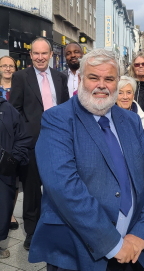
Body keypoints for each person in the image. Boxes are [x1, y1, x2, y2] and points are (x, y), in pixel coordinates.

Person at [28, 48, 144, 271]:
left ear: (118, 82)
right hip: (79, 254)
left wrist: (141, 233)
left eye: (109, 79)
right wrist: (113, 243)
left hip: (134, 251)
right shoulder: (57, 119)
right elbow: (64, 188)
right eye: (93, 77)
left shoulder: (131, 120)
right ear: (80, 78)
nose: (102, 85)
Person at [9, 37, 69, 250]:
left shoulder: (60, 77)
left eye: (44, 53)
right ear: (31, 55)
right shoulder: (20, 78)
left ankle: (58, 227)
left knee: (58, 188)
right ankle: (32, 233)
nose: (40, 57)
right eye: (36, 53)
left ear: (51, 55)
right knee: (32, 190)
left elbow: (65, 108)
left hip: (59, 142)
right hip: (33, 144)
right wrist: (25, 135)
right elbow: (13, 110)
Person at [0, 94, 32, 259]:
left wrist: (11, 159)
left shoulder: (8, 109)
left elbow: (23, 138)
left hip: (2, 171)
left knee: (2, 207)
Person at [0, 56, 21, 230]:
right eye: (4, 66)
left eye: (11, 66)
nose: (7, 68)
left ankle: (10, 212)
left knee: (12, 178)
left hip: (14, 135)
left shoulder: (19, 86)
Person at [117, 76, 144, 152]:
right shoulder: (106, 118)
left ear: (133, 95)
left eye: (129, 92)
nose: (125, 97)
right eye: (120, 93)